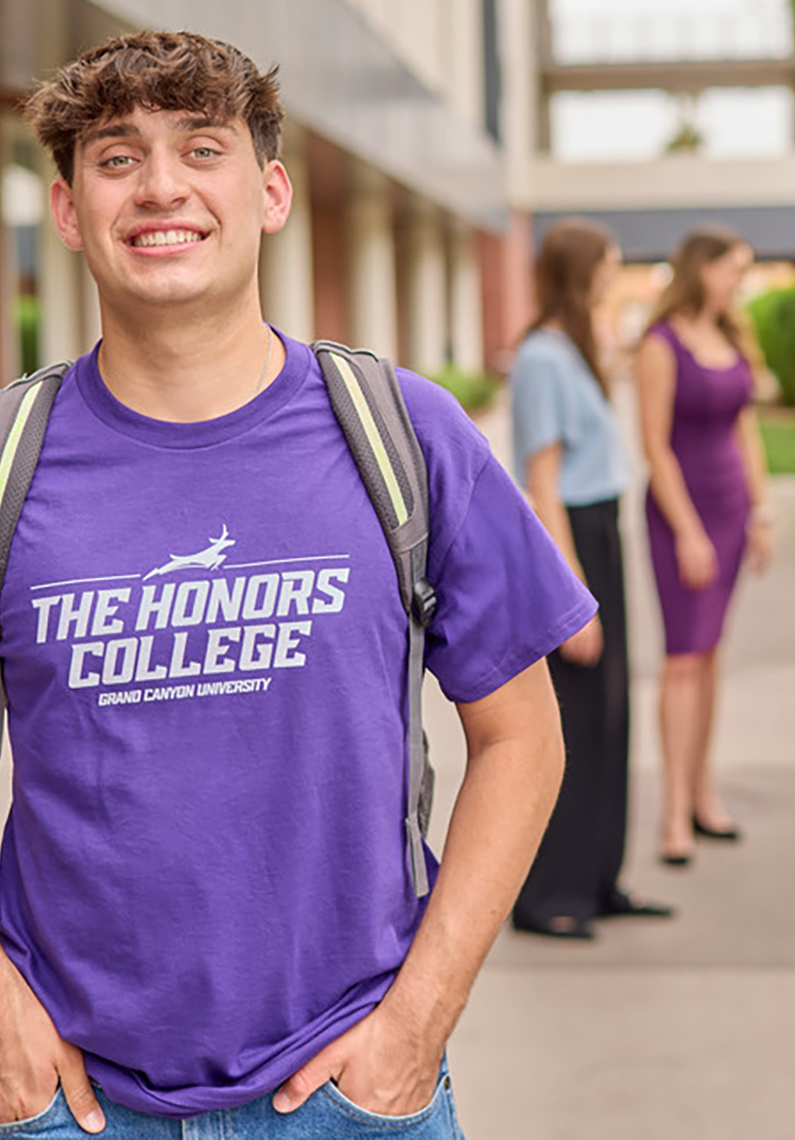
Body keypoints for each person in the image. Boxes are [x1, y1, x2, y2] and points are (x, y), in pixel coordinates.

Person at [1, 31, 597, 1135]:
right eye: (118, 157)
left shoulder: (404, 434)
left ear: (271, 192)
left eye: (202, 148)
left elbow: (523, 738)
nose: (162, 186)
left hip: (346, 1091)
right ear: (73, 213)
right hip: (61, 1096)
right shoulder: (11, 455)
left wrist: (418, 1025)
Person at [509, 219, 671, 939]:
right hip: (570, 539)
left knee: (611, 720)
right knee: (572, 724)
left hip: (602, 529)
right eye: (606, 263)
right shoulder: (541, 357)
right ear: (582, 271)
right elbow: (541, 483)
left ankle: (600, 879)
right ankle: (549, 895)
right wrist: (570, 596)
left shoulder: (579, 348)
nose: (613, 273)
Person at [635, 228, 774, 867]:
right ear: (702, 270)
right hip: (679, 514)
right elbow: (654, 445)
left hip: (732, 510)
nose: (740, 281)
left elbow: (746, 428)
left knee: (712, 653)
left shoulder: (734, 337)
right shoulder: (661, 346)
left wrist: (762, 512)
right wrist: (687, 529)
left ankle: (702, 792)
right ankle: (671, 816)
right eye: (733, 269)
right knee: (682, 659)